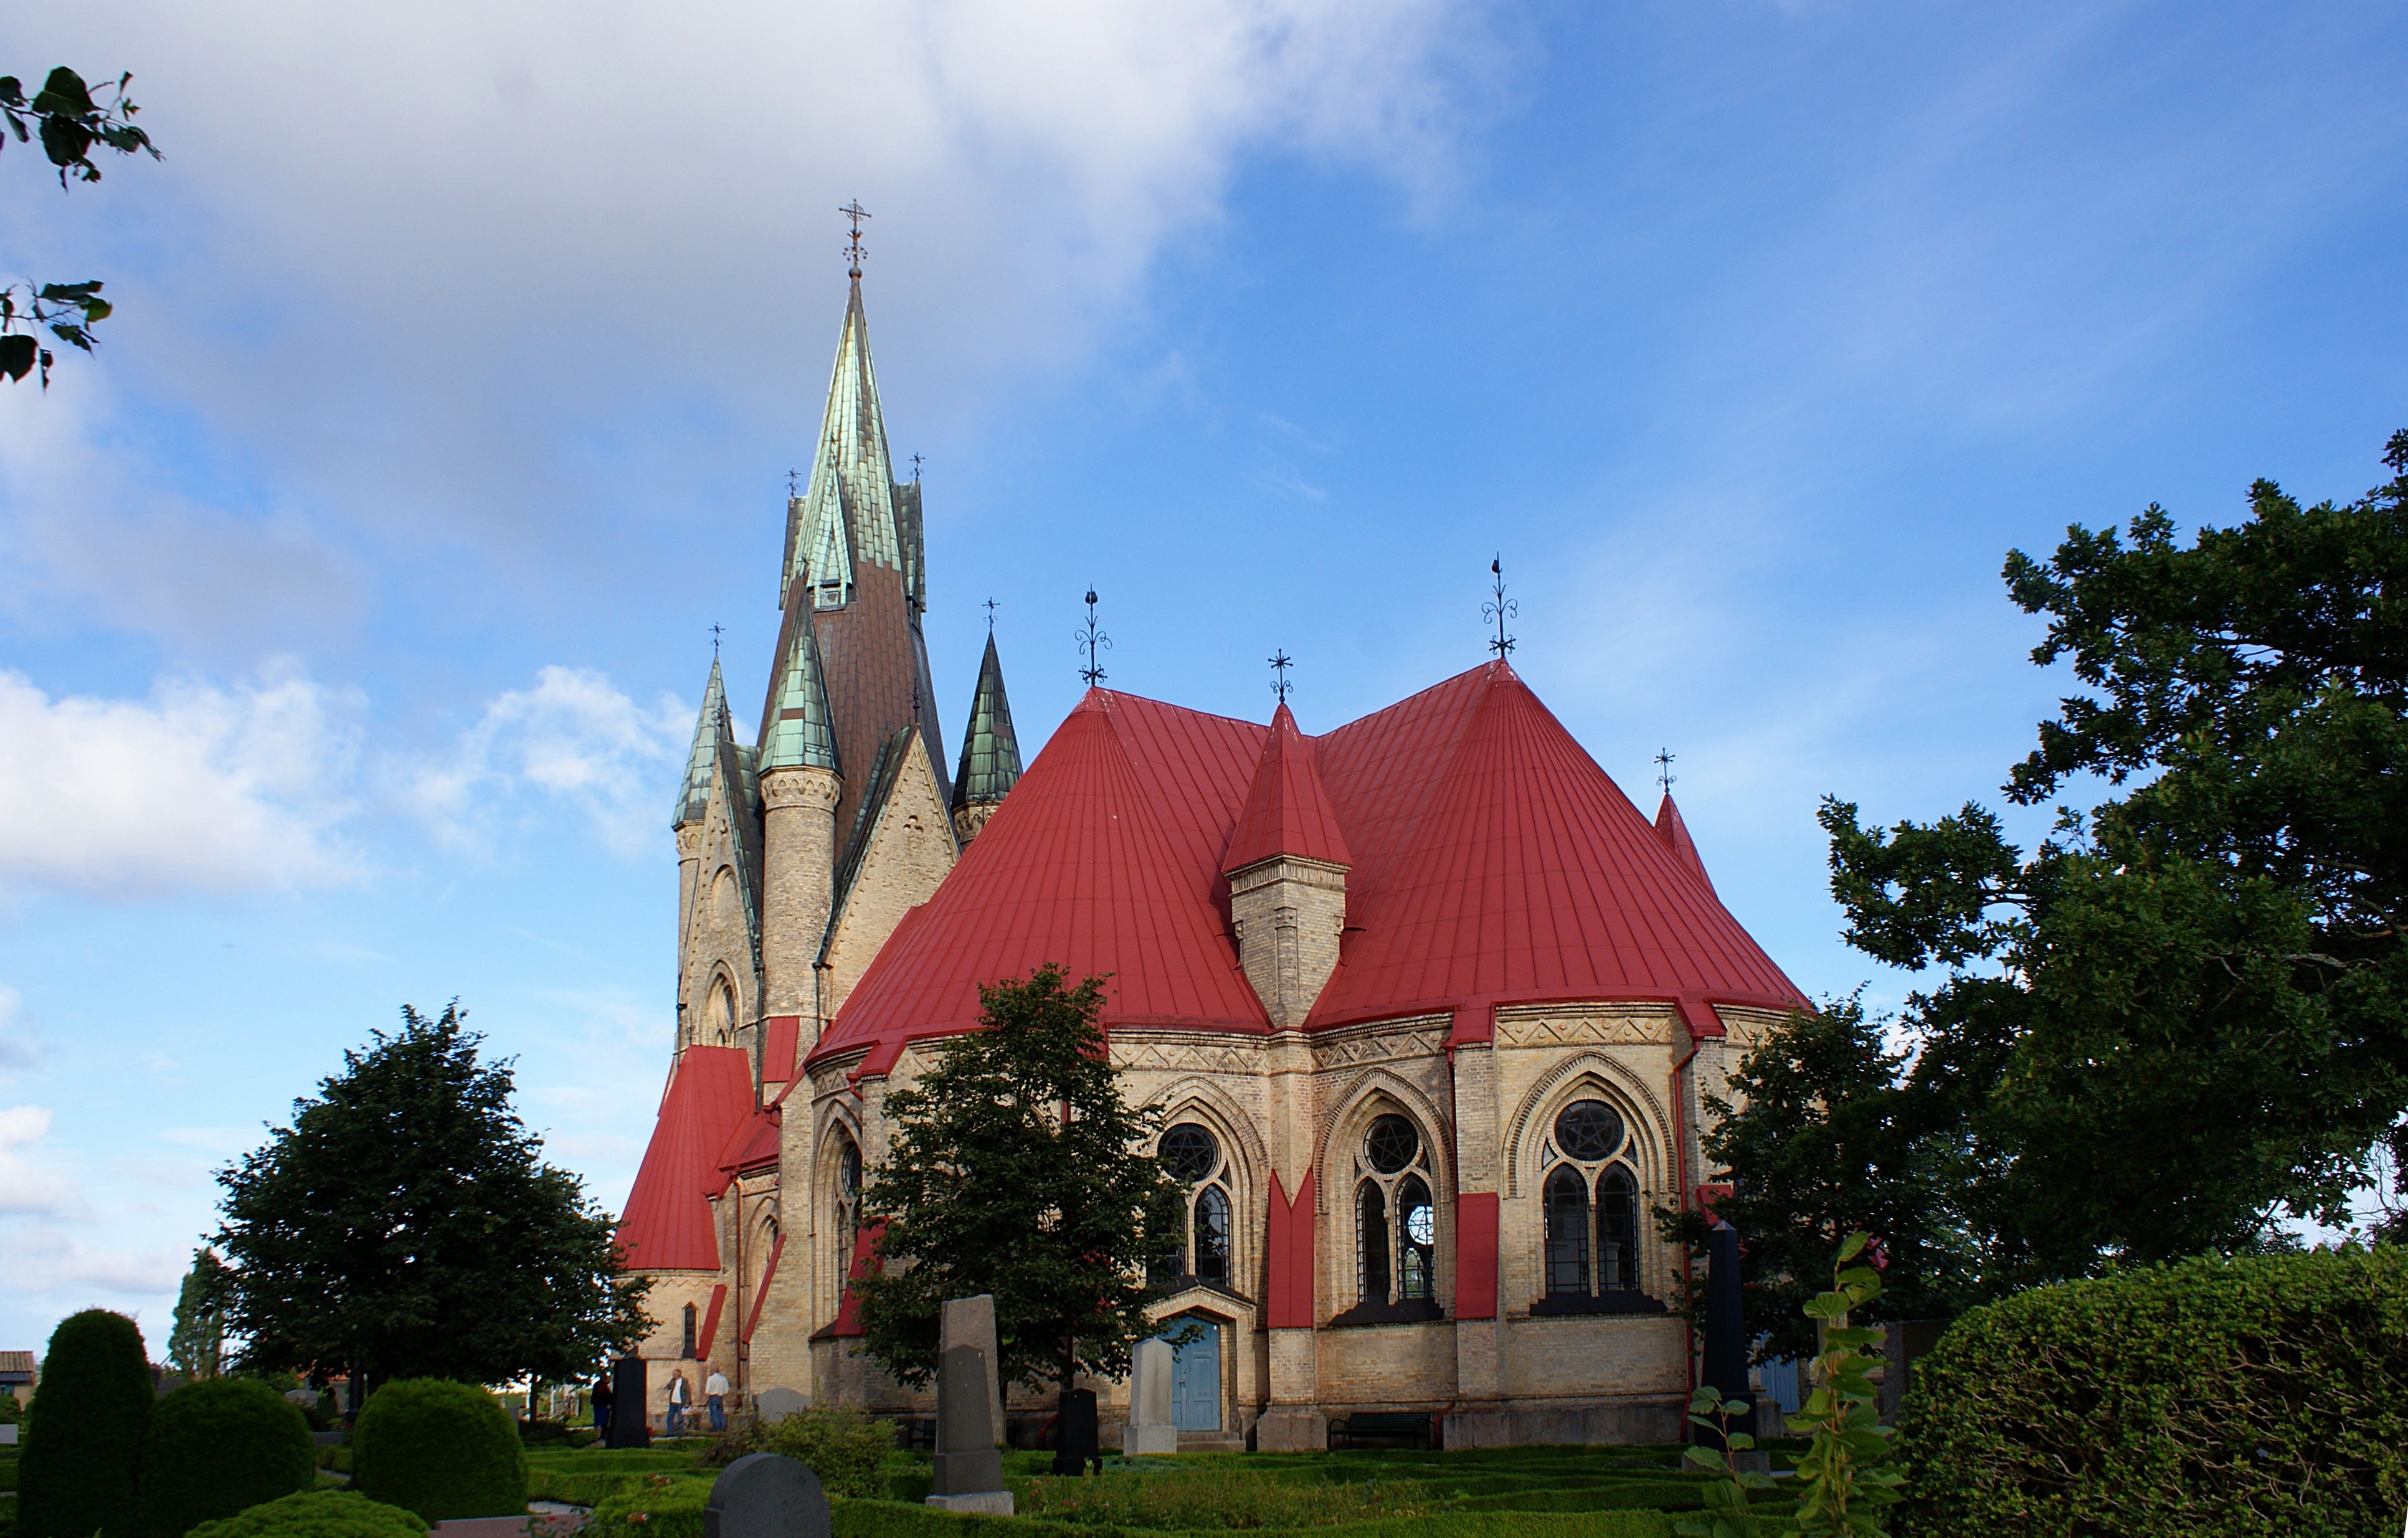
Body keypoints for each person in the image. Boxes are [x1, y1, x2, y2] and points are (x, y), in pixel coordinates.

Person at [591, 1370, 615, 1444]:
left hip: (597, 1405)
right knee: (601, 1421)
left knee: (597, 1420)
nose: (609, 1379)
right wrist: (608, 1404)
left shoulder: (597, 1385)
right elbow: (603, 1396)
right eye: (608, 1378)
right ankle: (600, 1437)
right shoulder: (603, 1386)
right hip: (603, 1406)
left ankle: (598, 1437)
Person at [704, 1368, 729, 1433]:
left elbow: (708, 1390)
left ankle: (717, 1428)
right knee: (720, 1412)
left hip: (713, 1396)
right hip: (720, 1397)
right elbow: (727, 1390)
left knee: (714, 1413)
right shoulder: (724, 1379)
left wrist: (708, 1395)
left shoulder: (710, 1379)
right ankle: (723, 1427)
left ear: (713, 1371)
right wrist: (722, 1394)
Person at [666, 1370, 688, 1436]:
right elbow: (668, 1386)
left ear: (679, 1374)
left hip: (680, 1403)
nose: (673, 1375)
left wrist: (687, 1402)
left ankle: (681, 1433)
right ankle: (670, 1433)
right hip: (673, 1402)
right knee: (670, 1417)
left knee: (681, 1418)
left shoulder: (684, 1381)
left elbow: (688, 1392)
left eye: (674, 1374)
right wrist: (666, 1388)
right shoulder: (673, 1380)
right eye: (673, 1374)